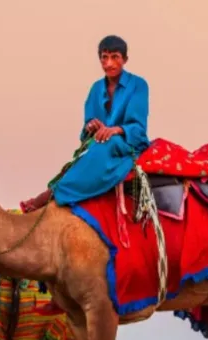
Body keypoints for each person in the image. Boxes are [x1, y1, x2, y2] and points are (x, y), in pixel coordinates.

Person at [20, 35, 151, 212]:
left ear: (125, 59)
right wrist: (91, 127)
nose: (109, 63)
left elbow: (138, 129)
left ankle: (53, 194)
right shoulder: (96, 88)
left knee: (105, 146)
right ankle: (59, 190)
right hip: (99, 143)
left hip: (126, 144)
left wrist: (114, 130)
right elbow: (87, 129)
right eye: (104, 58)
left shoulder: (138, 85)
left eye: (115, 57)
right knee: (87, 153)